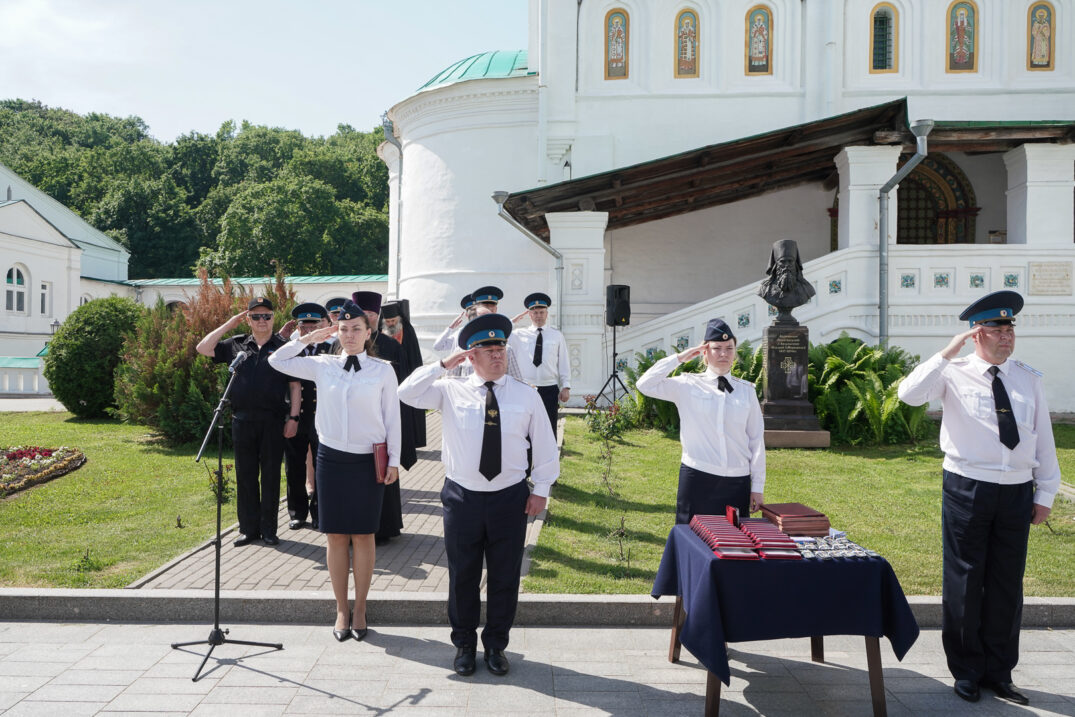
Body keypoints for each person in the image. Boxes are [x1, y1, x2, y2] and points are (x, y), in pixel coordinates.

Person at [897, 290, 1060, 705]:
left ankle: (1000, 672)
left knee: (1007, 583)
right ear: (976, 334)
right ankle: (967, 670)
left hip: (1017, 491)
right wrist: (947, 352)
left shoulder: (1028, 378)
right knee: (965, 579)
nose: (1006, 336)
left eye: (1010, 329)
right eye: (997, 329)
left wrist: (1046, 492)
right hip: (968, 485)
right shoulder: (953, 371)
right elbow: (909, 395)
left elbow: (1043, 440)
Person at [398, 314, 558, 677]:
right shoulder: (449, 390)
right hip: (462, 497)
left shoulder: (525, 395)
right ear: (471, 356)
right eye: (488, 349)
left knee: (504, 577)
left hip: (509, 498)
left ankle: (497, 646)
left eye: (500, 347)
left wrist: (542, 491)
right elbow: (405, 392)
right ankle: (465, 645)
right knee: (463, 575)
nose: (497, 354)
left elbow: (546, 449)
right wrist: (442, 364)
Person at [269, 300, 401, 642]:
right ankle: (342, 608)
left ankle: (361, 608)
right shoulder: (322, 365)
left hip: (367, 460)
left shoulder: (382, 370)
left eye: (356, 328)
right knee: (336, 536)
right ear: (336, 332)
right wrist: (309, 338)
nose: (350, 334)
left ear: (369, 332)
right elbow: (276, 360)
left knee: (364, 535)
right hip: (331, 460)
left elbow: (392, 419)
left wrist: (395, 461)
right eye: (343, 329)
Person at [635, 318, 765, 524]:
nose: (723, 353)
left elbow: (756, 440)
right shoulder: (687, 385)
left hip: (737, 481)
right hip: (698, 478)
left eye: (729, 348)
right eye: (717, 348)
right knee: (692, 541)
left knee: (735, 547)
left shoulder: (746, 391)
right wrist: (679, 358)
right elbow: (644, 384)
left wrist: (757, 486)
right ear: (705, 352)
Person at [196, 297, 300, 547]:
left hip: (273, 421)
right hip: (242, 420)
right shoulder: (237, 344)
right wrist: (227, 326)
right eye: (256, 316)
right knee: (245, 476)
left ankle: (269, 530)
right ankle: (248, 529)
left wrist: (294, 417)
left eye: (266, 316)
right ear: (248, 319)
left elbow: (295, 386)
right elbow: (203, 348)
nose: (261, 321)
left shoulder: (284, 346)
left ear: (273, 318)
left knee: (271, 476)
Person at [353, 291, 408, 545]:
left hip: (380, 422)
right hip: (350, 424)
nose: (368, 319)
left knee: (380, 473)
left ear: (376, 317)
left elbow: (401, 390)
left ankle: (383, 527)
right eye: (363, 315)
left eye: (372, 315)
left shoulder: (390, 346)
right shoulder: (342, 344)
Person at [277, 302, 331, 530]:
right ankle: (297, 512)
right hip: (295, 417)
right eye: (304, 326)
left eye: (313, 326)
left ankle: (320, 512)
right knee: (294, 466)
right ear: (298, 327)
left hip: (323, 419)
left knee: (322, 467)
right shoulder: (290, 350)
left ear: (320, 326)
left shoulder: (331, 349)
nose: (308, 331)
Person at [508, 292, 570, 437]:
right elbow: (500, 335)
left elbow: (563, 362)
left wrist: (565, 386)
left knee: (548, 427)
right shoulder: (518, 335)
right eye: (535, 312)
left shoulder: (557, 335)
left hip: (549, 388)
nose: (538, 315)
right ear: (529, 314)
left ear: (547, 313)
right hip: (525, 388)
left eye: (542, 312)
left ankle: (548, 458)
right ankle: (526, 458)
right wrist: (512, 322)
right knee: (524, 428)